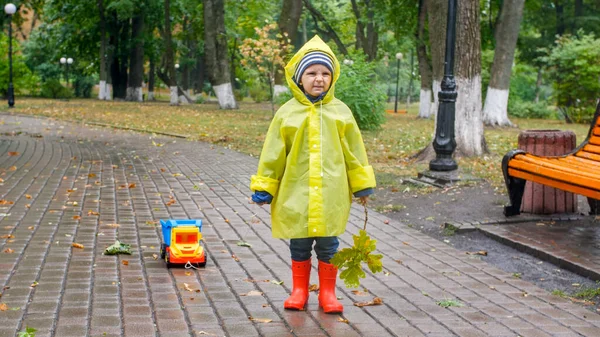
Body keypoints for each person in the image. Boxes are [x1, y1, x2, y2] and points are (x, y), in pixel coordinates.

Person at [250, 35, 376, 314]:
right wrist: (265, 185)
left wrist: (362, 184)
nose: (319, 79)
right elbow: (273, 152)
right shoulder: (286, 113)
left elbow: (354, 151)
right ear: (299, 77)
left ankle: (328, 294)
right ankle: (299, 290)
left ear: (332, 78)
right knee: (300, 240)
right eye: (311, 73)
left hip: (331, 192)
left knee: (329, 243)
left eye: (325, 73)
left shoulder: (340, 112)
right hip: (297, 191)